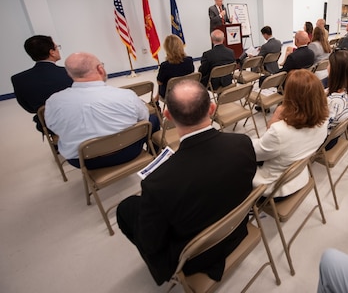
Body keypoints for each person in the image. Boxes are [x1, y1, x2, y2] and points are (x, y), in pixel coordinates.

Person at [116, 79, 256, 285]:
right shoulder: (243, 143)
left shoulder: (157, 183)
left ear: (167, 116)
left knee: (126, 208)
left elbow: (151, 243)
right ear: (212, 108)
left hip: (195, 256)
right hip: (237, 228)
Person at [45, 52, 157, 169]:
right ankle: (156, 154)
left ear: (69, 74)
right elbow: (144, 118)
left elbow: (54, 128)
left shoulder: (53, 102)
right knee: (153, 119)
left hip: (83, 160)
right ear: (100, 69)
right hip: (129, 151)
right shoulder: (126, 95)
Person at [252, 70, 328, 198]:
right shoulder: (324, 121)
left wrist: (275, 117)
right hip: (298, 177)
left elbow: (256, 154)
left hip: (274, 188)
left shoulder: (279, 131)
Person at [11, 35, 72, 132]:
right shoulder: (70, 73)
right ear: (52, 52)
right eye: (57, 47)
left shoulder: (18, 79)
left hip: (50, 127)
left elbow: (30, 109)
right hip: (76, 122)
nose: (58, 50)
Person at [325, 50, 348, 149]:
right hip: (336, 135)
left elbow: (316, 129)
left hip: (325, 142)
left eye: (328, 64)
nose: (326, 67)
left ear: (335, 70)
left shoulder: (332, 102)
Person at [155, 35, 194, 100]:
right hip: (187, 90)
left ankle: (155, 100)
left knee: (162, 83)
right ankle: (155, 99)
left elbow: (159, 82)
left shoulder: (165, 65)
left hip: (171, 95)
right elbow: (191, 73)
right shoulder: (189, 60)